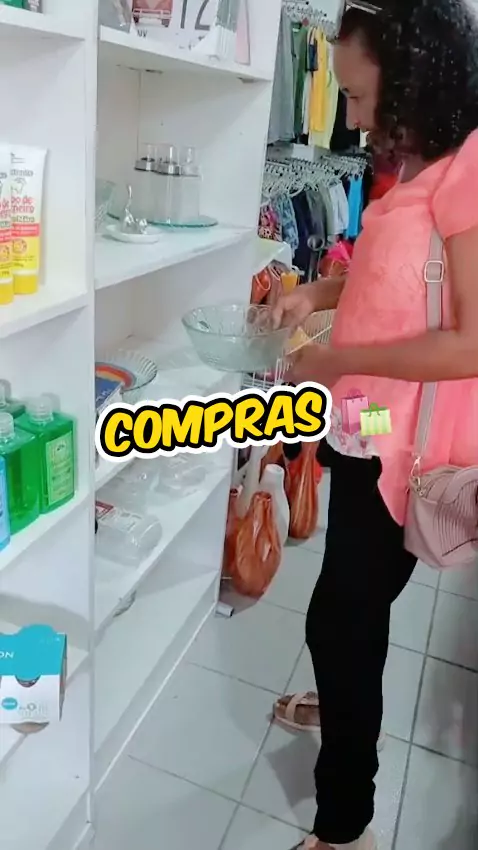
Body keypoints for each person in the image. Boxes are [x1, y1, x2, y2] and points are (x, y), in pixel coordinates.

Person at [271, 2, 478, 848]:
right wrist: (318, 293)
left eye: (359, 96)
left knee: (339, 619)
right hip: (370, 423)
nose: (351, 117)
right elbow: (395, 285)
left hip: (403, 442)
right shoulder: (421, 166)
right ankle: (343, 698)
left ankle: (344, 820)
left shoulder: (466, 171)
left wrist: (329, 361)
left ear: (413, 80)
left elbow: (471, 341)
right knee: (356, 608)